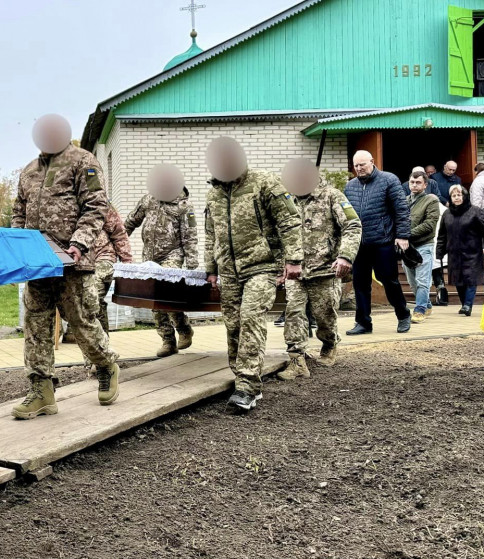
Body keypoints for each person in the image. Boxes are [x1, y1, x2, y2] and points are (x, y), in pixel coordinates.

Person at [10, 114, 121, 419]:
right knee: (35, 325)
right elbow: (18, 212)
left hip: (73, 261)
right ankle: (41, 391)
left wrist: (81, 241)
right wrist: (20, 247)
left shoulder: (82, 161)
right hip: (38, 263)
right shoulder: (28, 172)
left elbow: (97, 205)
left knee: (82, 322)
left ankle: (105, 365)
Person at [204, 137, 302, 412]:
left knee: (251, 318)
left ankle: (248, 386)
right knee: (233, 324)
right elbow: (211, 234)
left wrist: (294, 259)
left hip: (262, 265)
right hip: (229, 270)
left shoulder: (265, 183)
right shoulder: (213, 194)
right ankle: (240, 377)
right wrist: (210, 269)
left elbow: (289, 220)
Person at [276, 159, 361, 380]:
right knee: (293, 312)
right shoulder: (287, 200)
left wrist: (345, 256)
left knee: (325, 316)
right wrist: (278, 267)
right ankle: (296, 360)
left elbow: (353, 225)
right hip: (296, 272)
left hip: (325, 270)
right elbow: (277, 234)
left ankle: (329, 343)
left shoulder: (332, 196)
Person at [124, 164, 198, 357]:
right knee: (154, 300)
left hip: (172, 255)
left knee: (167, 293)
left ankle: (183, 328)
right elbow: (130, 222)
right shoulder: (149, 199)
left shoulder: (184, 206)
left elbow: (190, 236)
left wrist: (191, 264)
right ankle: (168, 340)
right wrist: (117, 244)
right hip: (150, 257)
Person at [343, 150, 413, 335]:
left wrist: (403, 236)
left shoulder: (389, 180)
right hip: (359, 244)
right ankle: (363, 323)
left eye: (362, 165)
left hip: (383, 241)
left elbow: (401, 209)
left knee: (389, 281)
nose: (359, 169)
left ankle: (403, 315)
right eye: (356, 166)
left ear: (372, 162)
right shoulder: (350, 187)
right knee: (360, 284)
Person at [436, 184, 484, 316]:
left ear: (464, 196)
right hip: (454, 253)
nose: (456, 198)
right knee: (458, 280)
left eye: (459, 195)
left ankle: (468, 305)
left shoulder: (475, 211)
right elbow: (442, 235)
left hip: (472, 252)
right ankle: (464, 305)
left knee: (471, 278)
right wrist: (439, 251)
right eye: (453, 195)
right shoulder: (447, 213)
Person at [88, 205, 133, 334]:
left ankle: (102, 341)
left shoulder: (101, 204)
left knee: (93, 296)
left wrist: (127, 261)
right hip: (77, 259)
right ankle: (73, 332)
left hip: (103, 257)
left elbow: (119, 233)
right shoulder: (65, 201)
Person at [404, 171, 440, 323]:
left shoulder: (431, 200)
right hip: (407, 247)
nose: (414, 185)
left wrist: (406, 234)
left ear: (425, 184)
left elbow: (430, 224)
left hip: (424, 245)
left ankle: (419, 310)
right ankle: (427, 304)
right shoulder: (404, 200)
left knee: (422, 280)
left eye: (418, 182)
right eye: (412, 182)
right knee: (412, 282)